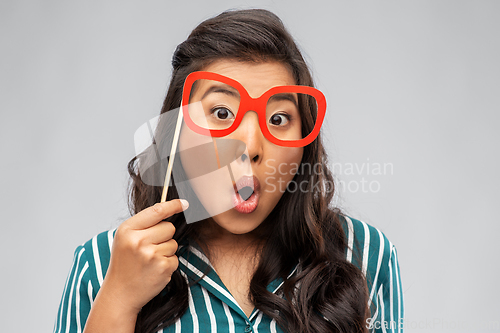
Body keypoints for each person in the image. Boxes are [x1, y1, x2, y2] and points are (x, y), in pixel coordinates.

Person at [53, 9, 403, 333]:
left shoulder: (365, 253)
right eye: (221, 114)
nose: (249, 148)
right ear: (176, 131)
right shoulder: (102, 264)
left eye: (278, 119)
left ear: (304, 143)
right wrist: (118, 300)